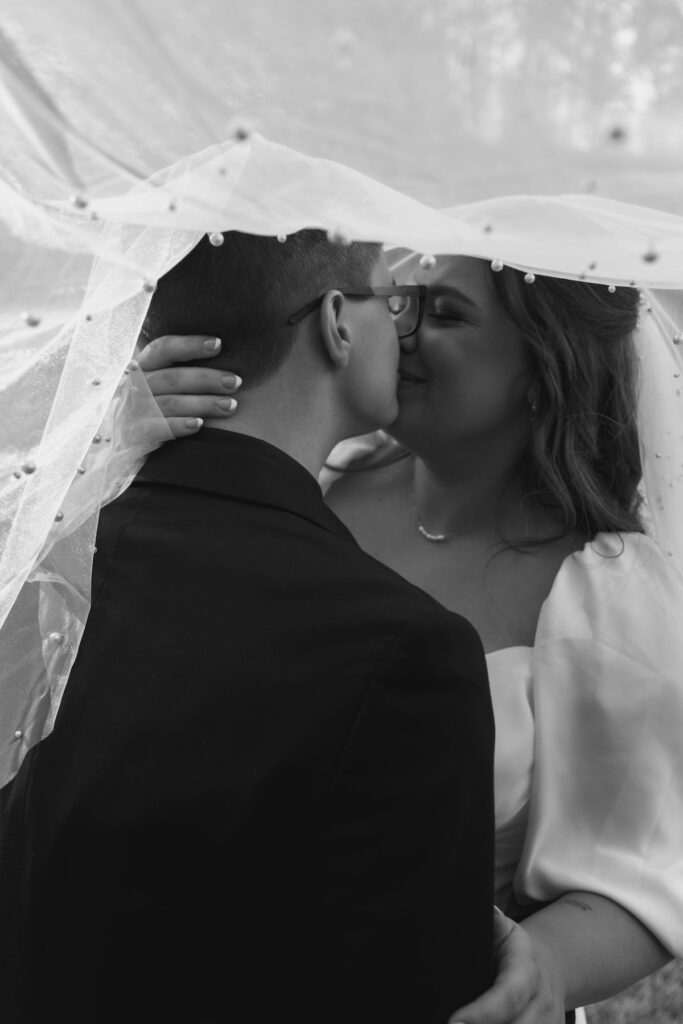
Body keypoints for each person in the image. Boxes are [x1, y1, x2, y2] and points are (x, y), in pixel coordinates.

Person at [144, 251, 683, 1024]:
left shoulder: (602, 596)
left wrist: (544, 969)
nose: (400, 332)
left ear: (542, 371)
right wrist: (125, 445)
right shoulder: (319, 480)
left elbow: (637, 870)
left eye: (445, 314)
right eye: (401, 302)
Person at [0, 230, 497, 1024]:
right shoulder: (404, 650)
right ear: (337, 321)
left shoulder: (48, 572)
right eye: (390, 299)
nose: (401, 329)